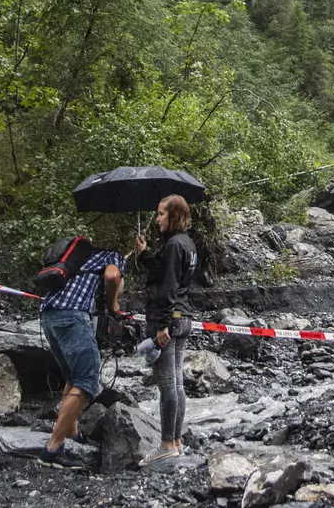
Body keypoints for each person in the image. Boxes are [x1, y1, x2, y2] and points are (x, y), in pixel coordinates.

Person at [37, 234, 140, 469]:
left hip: (49, 315)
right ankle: (53, 448)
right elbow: (112, 276)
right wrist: (114, 304)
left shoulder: (79, 258)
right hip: (73, 315)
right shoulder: (112, 257)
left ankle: (71, 431)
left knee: (73, 376)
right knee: (87, 379)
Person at [135, 195, 198, 469]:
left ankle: (166, 445)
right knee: (178, 382)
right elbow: (164, 270)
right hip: (184, 317)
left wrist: (162, 326)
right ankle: (177, 441)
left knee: (168, 384)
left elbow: (169, 286)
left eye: (161, 214)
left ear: (173, 215)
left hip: (170, 320)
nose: (157, 218)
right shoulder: (186, 243)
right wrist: (144, 254)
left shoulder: (174, 245)